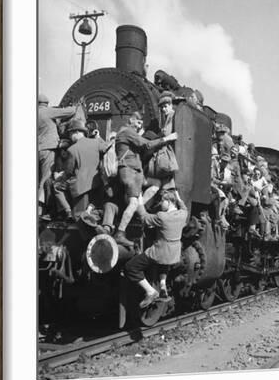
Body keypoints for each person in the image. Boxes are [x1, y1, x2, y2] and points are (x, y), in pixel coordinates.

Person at [114, 111, 177, 247]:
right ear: (131, 120)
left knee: (156, 183)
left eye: (141, 123)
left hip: (136, 174)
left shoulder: (129, 133)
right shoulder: (126, 132)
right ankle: (120, 233)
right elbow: (146, 145)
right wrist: (166, 139)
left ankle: (141, 215)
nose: (139, 126)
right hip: (129, 173)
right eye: (137, 122)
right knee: (133, 203)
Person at [124, 189, 188, 307]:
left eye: (162, 201)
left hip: (159, 252)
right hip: (174, 253)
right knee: (164, 262)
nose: (160, 204)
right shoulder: (183, 214)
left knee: (130, 267)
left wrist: (140, 201)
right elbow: (183, 207)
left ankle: (150, 291)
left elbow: (144, 217)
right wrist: (178, 197)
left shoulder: (162, 217)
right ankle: (163, 286)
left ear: (169, 201)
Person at [53, 118, 108, 219]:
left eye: (70, 134)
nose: (70, 136)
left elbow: (69, 172)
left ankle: (67, 211)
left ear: (77, 132)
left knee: (56, 186)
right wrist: (98, 137)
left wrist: (59, 176)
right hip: (96, 184)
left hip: (81, 187)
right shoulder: (95, 143)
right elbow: (106, 147)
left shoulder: (72, 149)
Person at [37, 94, 76, 210]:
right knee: (45, 179)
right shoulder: (47, 112)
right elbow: (70, 111)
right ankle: (40, 209)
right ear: (45, 104)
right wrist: (75, 106)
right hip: (48, 149)